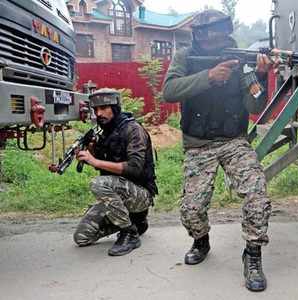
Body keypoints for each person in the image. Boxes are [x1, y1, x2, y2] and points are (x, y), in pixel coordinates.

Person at [162, 9, 273, 292]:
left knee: (257, 192)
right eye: (211, 31)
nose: (216, 36)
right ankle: (201, 240)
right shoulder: (185, 57)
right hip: (199, 144)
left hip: (234, 142)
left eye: (220, 30)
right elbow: (170, 91)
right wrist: (209, 77)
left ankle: (253, 254)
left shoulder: (240, 59)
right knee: (192, 209)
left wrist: (260, 76)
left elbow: (255, 107)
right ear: (199, 34)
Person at [73, 88, 158, 256]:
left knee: (98, 184)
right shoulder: (104, 131)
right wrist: (90, 152)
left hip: (140, 194)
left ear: (115, 107)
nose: (99, 113)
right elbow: (106, 164)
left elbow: (134, 168)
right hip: (118, 194)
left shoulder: (133, 129)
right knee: (81, 237)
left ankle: (129, 232)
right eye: (96, 109)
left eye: (104, 108)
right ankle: (137, 223)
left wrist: (95, 161)